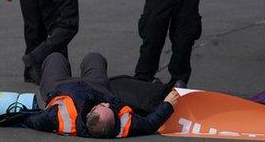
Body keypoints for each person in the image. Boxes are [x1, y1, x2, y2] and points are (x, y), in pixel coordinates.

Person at [22, 52, 177, 138]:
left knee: (55, 57)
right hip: (96, 86)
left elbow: (32, 120)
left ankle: (52, 61)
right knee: (94, 57)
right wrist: (168, 103)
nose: (108, 104)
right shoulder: (123, 125)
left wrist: (10, 115)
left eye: (102, 105)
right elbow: (151, 123)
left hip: (60, 87)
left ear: (90, 112)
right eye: (109, 108)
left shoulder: (58, 117)